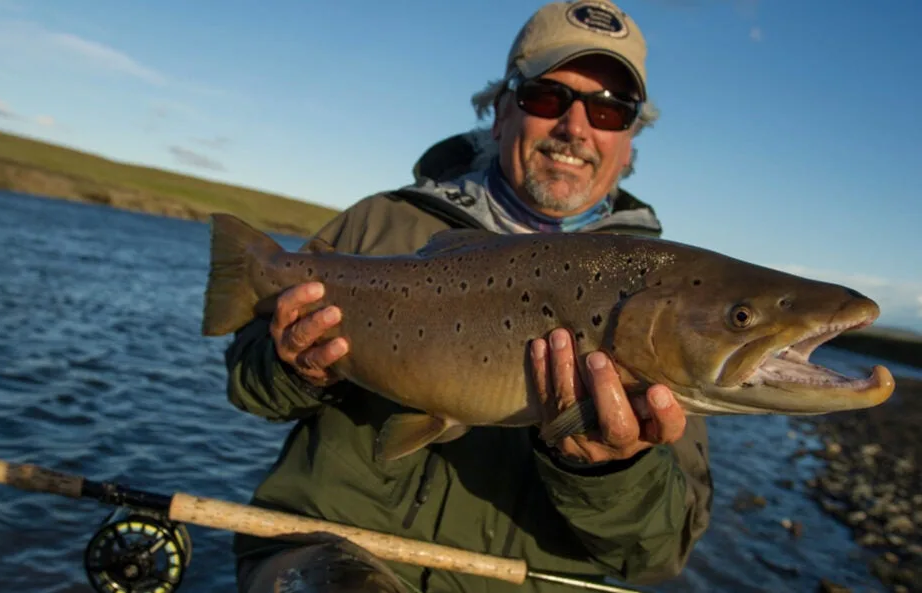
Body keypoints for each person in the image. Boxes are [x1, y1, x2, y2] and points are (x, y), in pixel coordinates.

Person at [223, 1, 714, 591]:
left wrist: (615, 469)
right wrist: (291, 369)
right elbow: (248, 387)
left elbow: (659, 553)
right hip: (326, 552)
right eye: (547, 97)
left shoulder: (672, 297)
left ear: (631, 140)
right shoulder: (379, 226)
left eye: (610, 110)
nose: (576, 128)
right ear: (500, 108)